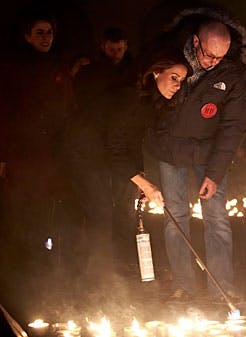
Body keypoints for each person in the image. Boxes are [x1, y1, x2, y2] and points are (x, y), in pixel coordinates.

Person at [63, 49, 190, 294]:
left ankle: (117, 280)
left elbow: (132, 144)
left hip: (103, 156)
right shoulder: (129, 98)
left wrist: (139, 178)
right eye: (174, 77)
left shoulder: (150, 104)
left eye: (181, 81)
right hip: (83, 153)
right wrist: (145, 183)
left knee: (122, 213)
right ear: (156, 73)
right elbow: (115, 148)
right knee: (100, 212)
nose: (177, 85)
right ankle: (95, 285)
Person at [148, 9, 246, 302]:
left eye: (220, 57)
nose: (212, 62)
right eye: (208, 55)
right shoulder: (170, 59)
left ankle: (221, 285)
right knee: (175, 217)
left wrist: (215, 173)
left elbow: (233, 127)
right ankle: (183, 284)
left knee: (216, 216)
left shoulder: (234, 74)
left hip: (209, 153)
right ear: (195, 42)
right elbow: (151, 106)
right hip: (171, 151)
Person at [0, 12, 74, 317]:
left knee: (45, 219)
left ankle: (43, 282)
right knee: (18, 219)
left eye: (49, 33)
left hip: (49, 158)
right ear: (28, 35)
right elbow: (7, 112)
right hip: (20, 155)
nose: (46, 37)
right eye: (40, 32)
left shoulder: (56, 67)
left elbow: (67, 109)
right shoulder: (13, 68)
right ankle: (16, 286)